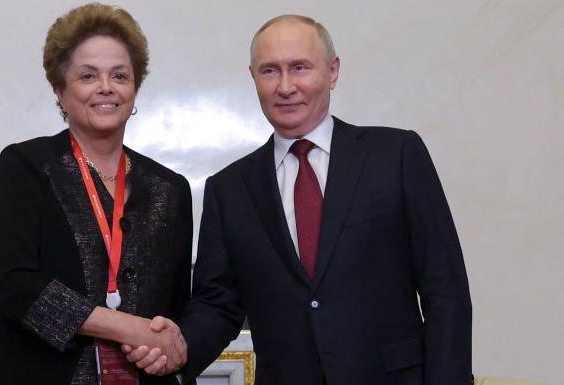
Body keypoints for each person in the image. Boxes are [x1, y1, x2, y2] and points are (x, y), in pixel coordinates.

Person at [128, 14, 472, 385]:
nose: (286, 86)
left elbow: (445, 291)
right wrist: (181, 345)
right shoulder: (229, 189)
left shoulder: (396, 155)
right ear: (254, 78)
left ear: (333, 71)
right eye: (270, 71)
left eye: (300, 68)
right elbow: (218, 303)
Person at [0, 4, 190, 385]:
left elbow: (174, 311)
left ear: (134, 88)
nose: (105, 87)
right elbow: (17, 287)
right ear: (60, 90)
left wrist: (159, 345)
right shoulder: (26, 166)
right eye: (88, 75)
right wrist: (126, 327)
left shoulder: (169, 189)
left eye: (119, 75)